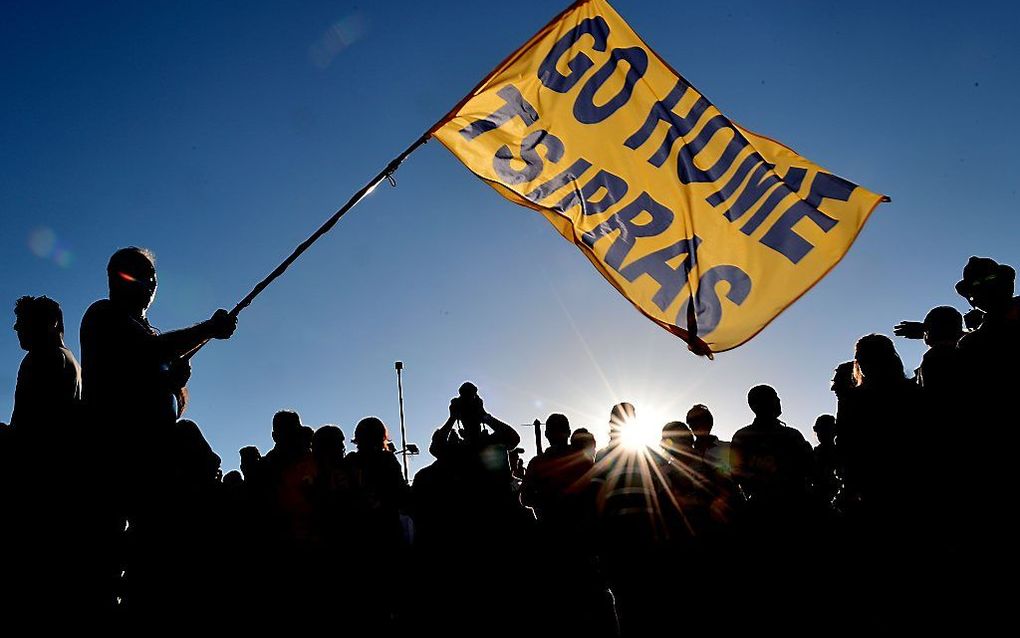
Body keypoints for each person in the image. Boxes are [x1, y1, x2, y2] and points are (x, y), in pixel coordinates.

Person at [9, 295, 81, 437]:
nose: (16, 327)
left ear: (51, 323)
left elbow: (23, 425)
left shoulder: (40, 356)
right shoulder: (74, 363)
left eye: (25, 321)